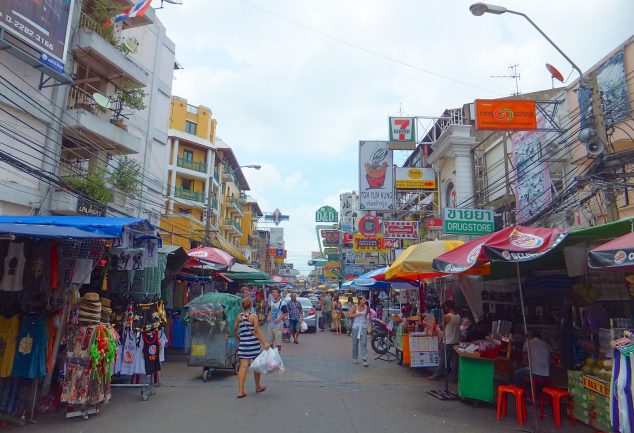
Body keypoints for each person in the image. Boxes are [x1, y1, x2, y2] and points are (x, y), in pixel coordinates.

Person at [234, 297, 270, 398]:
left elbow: (235, 328)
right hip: (254, 345)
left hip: (244, 345)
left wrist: (237, 335)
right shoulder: (253, 316)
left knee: (243, 367)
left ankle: (241, 391)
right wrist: (264, 343)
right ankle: (258, 386)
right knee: (256, 366)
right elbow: (257, 331)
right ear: (251, 305)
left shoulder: (239, 316)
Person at [428, 300, 461, 382]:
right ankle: (453, 378)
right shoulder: (458, 316)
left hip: (448, 341)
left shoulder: (447, 316)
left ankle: (436, 375)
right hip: (456, 341)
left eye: (445, 307)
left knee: (444, 360)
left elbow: (442, 327)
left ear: (447, 307)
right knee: (455, 362)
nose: (444, 308)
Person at [349, 295, 370, 367]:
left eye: (365, 299)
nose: (365, 300)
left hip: (363, 327)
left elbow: (367, 315)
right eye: (363, 299)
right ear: (360, 300)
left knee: (363, 343)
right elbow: (350, 315)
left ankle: (364, 359)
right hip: (356, 327)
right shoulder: (355, 306)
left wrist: (367, 317)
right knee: (355, 343)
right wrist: (356, 314)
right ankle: (355, 357)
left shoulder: (366, 307)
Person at [266, 288, 288, 352]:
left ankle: (277, 356)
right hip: (270, 324)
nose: (274, 293)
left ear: (278, 294)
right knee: (270, 342)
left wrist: (278, 319)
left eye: (275, 292)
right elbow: (270, 310)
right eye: (273, 292)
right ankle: (271, 356)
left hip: (278, 325)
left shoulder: (282, 303)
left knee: (278, 343)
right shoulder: (272, 301)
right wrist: (268, 316)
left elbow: (286, 313)